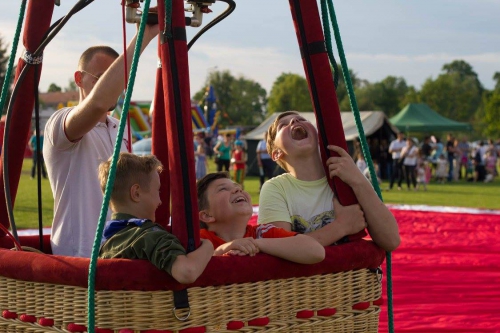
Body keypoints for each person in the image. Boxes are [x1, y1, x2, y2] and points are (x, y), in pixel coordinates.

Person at [43, 24, 159, 257]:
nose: (113, 87)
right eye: (102, 78)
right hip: (78, 253)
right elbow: (97, 103)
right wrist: (144, 35)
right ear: (79, 79)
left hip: (117, 249)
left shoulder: (120, 127)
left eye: (117, 78)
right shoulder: (60, 123)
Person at [258, 111, 400, 251]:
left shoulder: (346, 177)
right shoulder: (276, 189)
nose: (294, 122)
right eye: (282, 125)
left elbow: (391, 240)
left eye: (301, 119)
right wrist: (342, 226)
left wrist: (358, 179)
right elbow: (279, 250)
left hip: (352, 274)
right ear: (276, 154)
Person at [98, 153, 214, 284]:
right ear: (136, 193)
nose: (160, 201)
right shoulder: (149, 236)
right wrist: (209, 246)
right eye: (158, 191)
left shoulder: (103, 241)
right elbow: (186, 272)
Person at [197, 172, 324, 264]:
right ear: (207, 215)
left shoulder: (262, 233)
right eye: (223, 189)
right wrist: (225, 249)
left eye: (239, 187)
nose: (237, 190)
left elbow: (316, 251)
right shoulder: (200, 240)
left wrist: (255, 244)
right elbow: (190, 268)